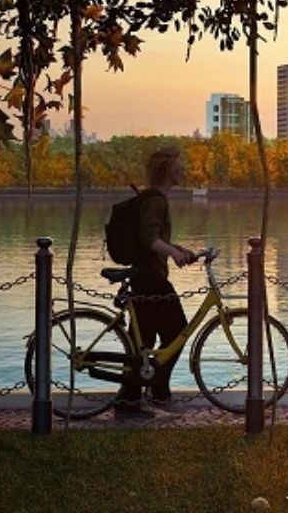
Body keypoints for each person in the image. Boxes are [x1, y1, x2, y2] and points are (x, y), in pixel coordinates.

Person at [115, 146, 197, 419]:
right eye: (179, 167)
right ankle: (157, 391)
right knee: (177, 331)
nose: (183, 171)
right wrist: (173, 253)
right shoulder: (157, 201)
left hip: (145, 277)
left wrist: (177, 248)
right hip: (151, 280)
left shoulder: (154, 198)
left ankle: (130, 402)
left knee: (143, 343)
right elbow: (148, 238)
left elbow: (152, 238)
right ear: (168, 172)